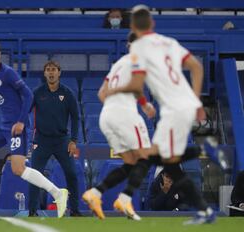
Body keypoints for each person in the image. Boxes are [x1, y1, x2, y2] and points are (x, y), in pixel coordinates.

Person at [104, 5, 221, 224]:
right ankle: (204, 209)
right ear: (152, 24)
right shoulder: (169, 43)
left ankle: (124, 198)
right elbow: (196, 67)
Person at [0, 38, 68, 218]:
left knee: (18, 169)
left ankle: (57, 193)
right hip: (2, 126)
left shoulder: (8, 73)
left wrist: (21, 121)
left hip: (17, 126)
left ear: (0, 56)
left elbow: (28, 95)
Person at [82, 31, 154, 220]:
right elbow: (136, 87)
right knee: (146, 158)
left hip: (106, 116)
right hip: (125, 114)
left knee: (130, 162)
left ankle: (95, 194)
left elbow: (101, 94)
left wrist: (114, 108)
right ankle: (124, 199)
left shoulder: (117, 65)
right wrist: (145, 104)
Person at [28, 61, 82, 217]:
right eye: (48, 70)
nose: (51, 73)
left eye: (54, 70)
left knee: (71, 173)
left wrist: (74, 140)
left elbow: (76, 117)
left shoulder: (67, 93)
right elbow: (26, 110)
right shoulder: (37, 92)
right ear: (44, 73)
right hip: (41, 140)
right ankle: (32, 211)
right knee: (34, 174)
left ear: (59, 73)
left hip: (62, 141)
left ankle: (75, 210)